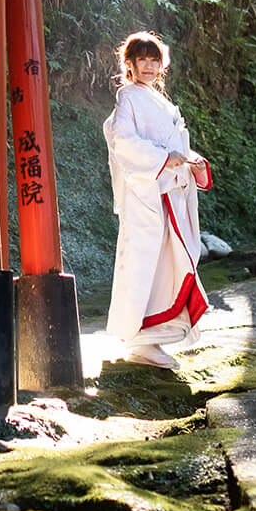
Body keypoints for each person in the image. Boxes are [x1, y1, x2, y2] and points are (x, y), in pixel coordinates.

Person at [103, 30, 213, 368]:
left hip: (166, 192)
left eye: (154, 61)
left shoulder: (155, 98)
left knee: (169, 263)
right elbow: (124, 142)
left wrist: (190, 161)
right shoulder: (130, 98)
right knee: (145, 264)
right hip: (148, 196)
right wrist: (166, 160)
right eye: (143, 61)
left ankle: (153, 334)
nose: (149, 66)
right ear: (131, 65)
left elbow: (172, 144)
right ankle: (140, 337)